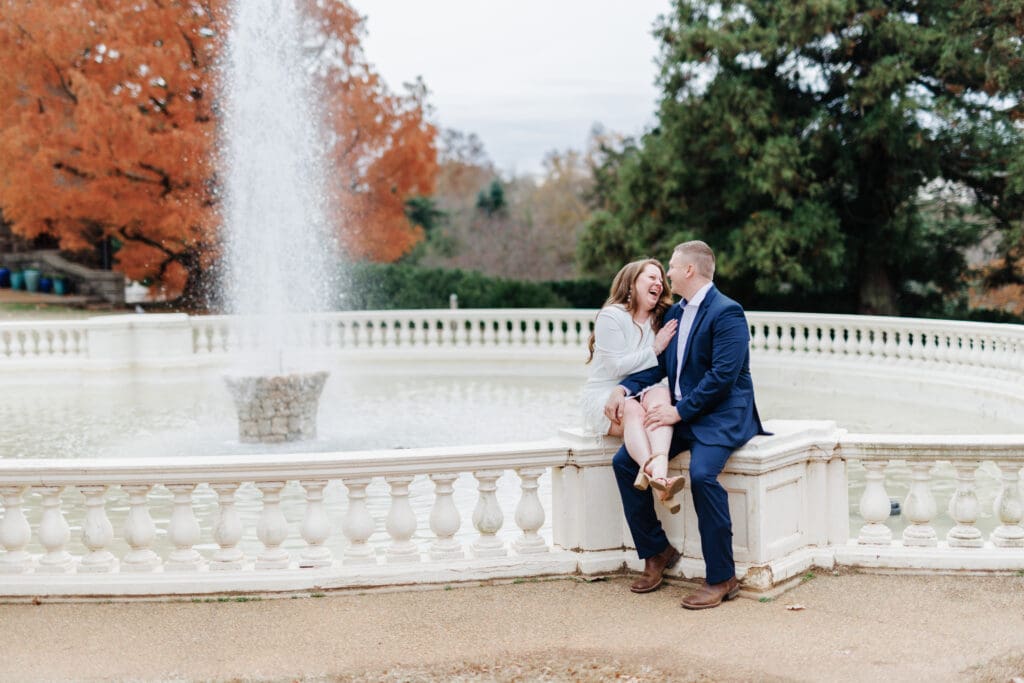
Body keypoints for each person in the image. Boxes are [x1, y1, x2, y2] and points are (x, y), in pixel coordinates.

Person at [603, 240, 767, 609]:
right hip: (689, 413)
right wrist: (624, 387)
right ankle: (657, 551)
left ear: (690, 270)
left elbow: (723, 376)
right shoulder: (676, 313)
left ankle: (723, 577)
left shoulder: (728, 312)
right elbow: (662, 367)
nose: (668, 274)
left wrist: (679, 412)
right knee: (624, 463)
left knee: (703, 475)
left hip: (723, 415)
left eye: (673, 267)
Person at [580, 259, 685, 511]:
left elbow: (656, 372)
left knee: (661, 393)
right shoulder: (612, 316)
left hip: (640, 389)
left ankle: (656, 473)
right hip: (606, 395)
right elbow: (616, 367)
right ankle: (657, 474)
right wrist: (655, 348)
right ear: (632, 283)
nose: (659, 283)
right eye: (651, 278)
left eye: (661, 279)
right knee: (631, 409)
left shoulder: (660, 320)